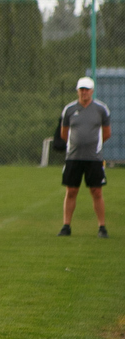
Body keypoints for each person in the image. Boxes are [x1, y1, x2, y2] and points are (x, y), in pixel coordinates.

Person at [59, 74, 111, 238]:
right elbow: (64, 133)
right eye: (81, 89)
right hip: (73, 157)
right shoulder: (69, 110)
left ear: (92, 91)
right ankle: (66, 226)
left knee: (96, 191)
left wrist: (93, 145)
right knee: (71, 191)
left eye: (87, 90)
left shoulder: (101, 109)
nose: (84, 92)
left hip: (94, 158)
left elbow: (107, 133)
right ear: (77, 91)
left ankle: (102, 227)